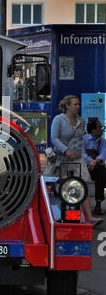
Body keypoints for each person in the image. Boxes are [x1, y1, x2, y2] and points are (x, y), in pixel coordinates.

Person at [49, 95, 103, 226]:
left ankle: (89, 217)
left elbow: (80, 140)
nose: (78, 106)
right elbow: (54, 138)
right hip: (61, 158)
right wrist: (65, 149)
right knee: (52, 184)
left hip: (77, 159)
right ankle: (50, 215)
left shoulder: (82, 121)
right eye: (75, 104)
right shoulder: (59, 119)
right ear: (67, 106)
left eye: (78, 104)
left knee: (82, 184)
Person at [83, 118, 106, 216]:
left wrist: (94, 161)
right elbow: (81, 154)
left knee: (102, 172)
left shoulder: (103, 141)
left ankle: (98, 203)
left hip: (96, 167)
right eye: (100, 127)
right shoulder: (83, 139)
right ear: (93, 130)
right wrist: (90, 161)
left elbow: (103, 154)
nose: (102, 129)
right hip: (84, 166)